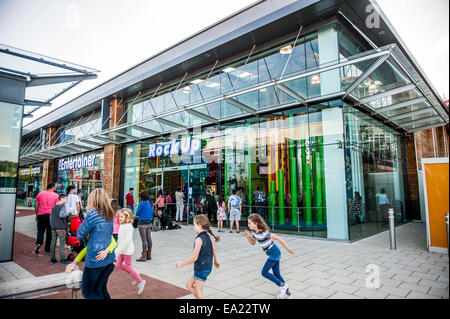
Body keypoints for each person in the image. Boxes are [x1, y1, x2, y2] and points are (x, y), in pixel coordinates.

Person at [72, 188, 116, 299]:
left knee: (88, 293)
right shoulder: (110, 214)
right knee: (101, 289)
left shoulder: (92, 214)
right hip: (109, 259)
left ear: (93, 200)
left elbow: (80, 234)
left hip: (95, 259)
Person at [245, 214, 294, 299]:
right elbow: (253, 243)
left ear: (256, 223)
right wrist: (248, 237)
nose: (248, 225)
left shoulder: (264, 233)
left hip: (274, 252)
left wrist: (287, 249)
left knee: (264, 272)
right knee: (276, 273)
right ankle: (288, 292)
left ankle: (282, 286)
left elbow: (278, 238)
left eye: (250, 223)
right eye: (248, 223)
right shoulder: (253, 232)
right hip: (272, 253)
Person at [176, 215, 220, 299]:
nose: (194, 227)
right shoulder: (207, 236)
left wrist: (181, 264)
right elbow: (213, 248)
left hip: (201, 268)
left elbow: (194, 258)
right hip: (206, 267)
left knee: (199, 291)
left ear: (199, 225)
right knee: (189, 285)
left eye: (194, 225)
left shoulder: (199, 239)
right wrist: (216, 261)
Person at [115, 208, 146, 294]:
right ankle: (134, 273)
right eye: (119, 217)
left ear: (126, 217)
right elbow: (121, 239)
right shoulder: (122, 225)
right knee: (118, 264)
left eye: (121, 217)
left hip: (127, 250)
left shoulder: (128, 227)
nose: (119, 218)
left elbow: (127, 242)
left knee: (128, 267)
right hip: (122, 249)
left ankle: (140, 281)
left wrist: (117, 251)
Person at [34, 183, 59, 254]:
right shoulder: (56, 195)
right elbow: (57, 207)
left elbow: (36, 205)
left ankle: (38, 243)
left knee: (40, 231)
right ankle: (47, 248)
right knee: (49, 233)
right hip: (50, 216)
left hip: (41, 214)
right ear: (52, 187)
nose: (55, 188)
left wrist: (37, 214)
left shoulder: (40, 194)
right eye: (55, 187)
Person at [49, 193, 70, 265]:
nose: (67, 200)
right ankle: (63, 259)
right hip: (61, 227)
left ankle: (52, 259)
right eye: (66, 198)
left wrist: (52, 225)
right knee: (61, 244)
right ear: (62, 199)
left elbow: (51, 217)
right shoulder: (63, 207)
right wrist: (69, 212)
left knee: (53, 243)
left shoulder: (54, 207)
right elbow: (61, 215)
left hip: (54, 227)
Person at [135, 190, 154, 262]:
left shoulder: (142, 203)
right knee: (149, 239)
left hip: (142, 223)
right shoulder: (151, 203)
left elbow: (137, 213)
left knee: (144, 240)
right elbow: (152, 212)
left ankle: (144, 256)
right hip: (149, 223)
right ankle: (149, 254)